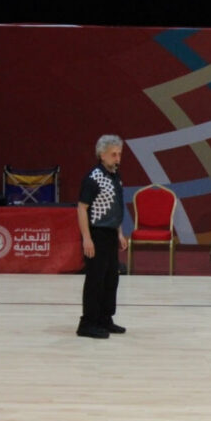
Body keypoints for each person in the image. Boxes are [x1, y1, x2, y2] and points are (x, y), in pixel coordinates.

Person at [76, 134, 128, 339]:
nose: (118, 158)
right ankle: (87, 322)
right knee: (95, 279)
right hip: (96, 233)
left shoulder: (115, 176)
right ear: (102, 155)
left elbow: (114, 208)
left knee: (111, 279)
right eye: (114, 154)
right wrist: (86, 238)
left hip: (110, 233)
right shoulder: (93, 178)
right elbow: (82, 209)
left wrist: (120, 233)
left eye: (119, 154)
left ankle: (105, 318)